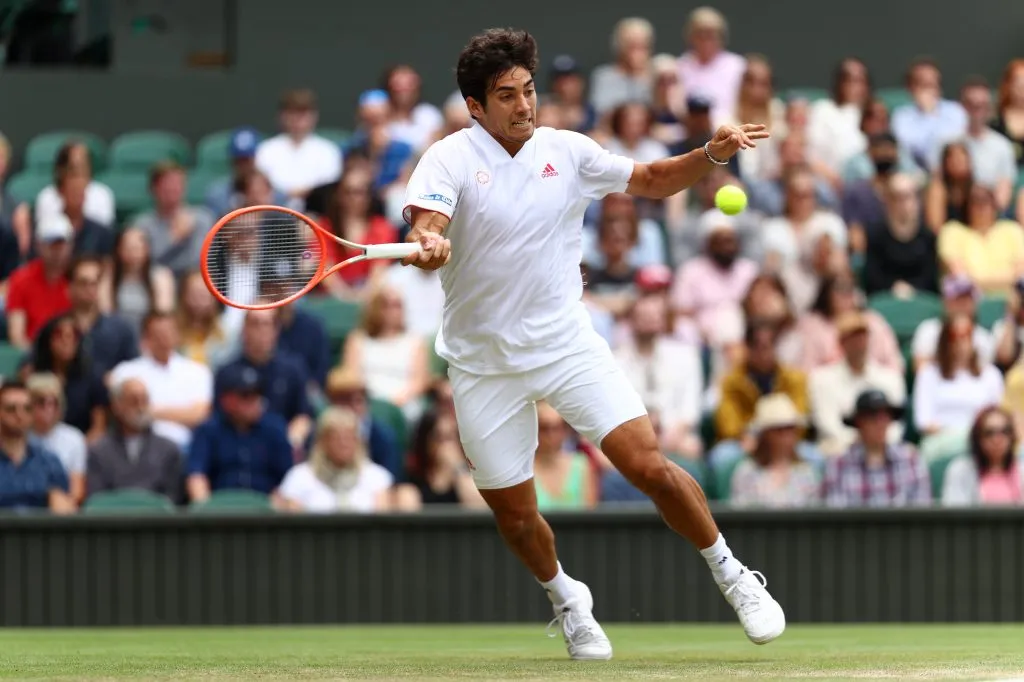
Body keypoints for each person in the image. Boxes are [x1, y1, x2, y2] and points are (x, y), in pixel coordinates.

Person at [399, 28, 783, 660]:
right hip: (482, 364)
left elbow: (655, 179)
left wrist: (710, 155)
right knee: (517, 519)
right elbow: (428, 222)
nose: (524, 106)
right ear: (474, 105)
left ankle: (732, 573)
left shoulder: (567, 150)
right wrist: (431, 238)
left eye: (528, 90)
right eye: (505, 96)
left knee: (648, 466)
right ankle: (568, 600)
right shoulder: (447, 159)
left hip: (565, 343)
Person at [0, 381, 76, 513]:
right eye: (11, 409)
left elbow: (65, 511)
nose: (20, 414)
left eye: (27, 408)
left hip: (39, 532)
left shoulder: (49, 461)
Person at [942, 406, 1024, 506]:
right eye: (990, 433)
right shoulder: (961, 470)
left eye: (1004, 431)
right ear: (978, 437)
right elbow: (954, 515)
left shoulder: (1021, 470)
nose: (997, 439)